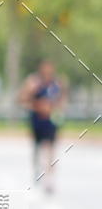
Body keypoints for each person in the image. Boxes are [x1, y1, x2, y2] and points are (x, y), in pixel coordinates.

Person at [19, 60, 66, 192]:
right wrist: (37, 104)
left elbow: (62, 100)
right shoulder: (33, 82)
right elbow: (22, 99)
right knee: (37, 148)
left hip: (51, 120)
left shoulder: (57, 83)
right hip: (36, 120)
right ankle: (37, 169)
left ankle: (49, 180)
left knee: (50, 149)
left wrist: (54, 108)